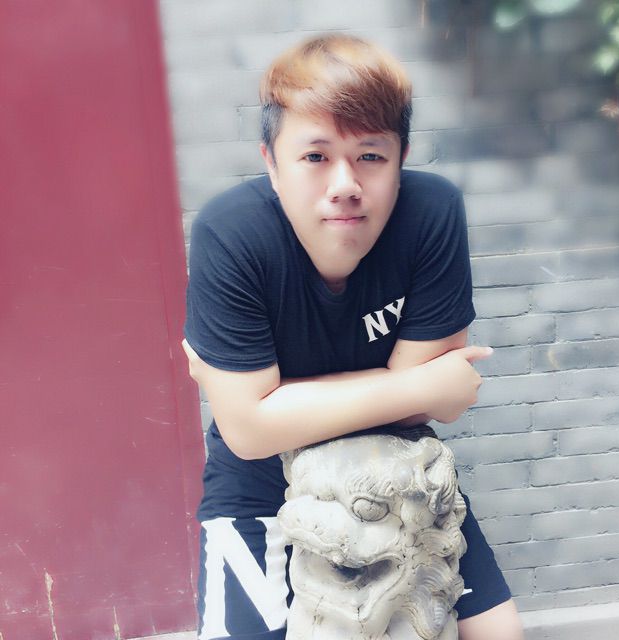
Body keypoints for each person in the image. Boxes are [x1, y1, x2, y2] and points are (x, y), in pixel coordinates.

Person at [183, 34, 524, 640]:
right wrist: (415, 386)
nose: (344, 182)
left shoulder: (431, 213)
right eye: (315, 156)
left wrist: (274, 402)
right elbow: (250, 433)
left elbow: (416, 406)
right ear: (271, 163)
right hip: (260, 478)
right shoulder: (232, 235)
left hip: (396, 464)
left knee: (498, 633)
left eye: (370, 155)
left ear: (401, 159)